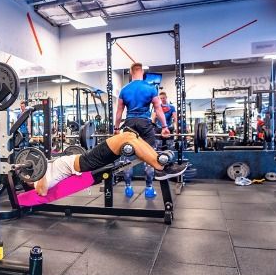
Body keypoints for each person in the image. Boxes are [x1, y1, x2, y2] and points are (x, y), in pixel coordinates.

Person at [29, 127, 188, 200]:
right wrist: (40, 170)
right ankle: (160, 167)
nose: (29, 171)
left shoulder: (45, 169)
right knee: (126, 136)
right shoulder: (39, 181)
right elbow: (42, 192)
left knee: (131, 135)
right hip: (86, 162)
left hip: (85, 158)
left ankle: (160, 162)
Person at [115, 63, 170, 199]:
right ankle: (149, 189)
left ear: (131, 72)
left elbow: (119, 112)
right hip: (145, 124)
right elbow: (158, 109)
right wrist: (164, 127)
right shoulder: (150, 88)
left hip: (129, 124)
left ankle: (128, 188)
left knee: (127, 157)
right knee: (150, 156)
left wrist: (116, 129)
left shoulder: (124, 90)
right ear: (142, 72)